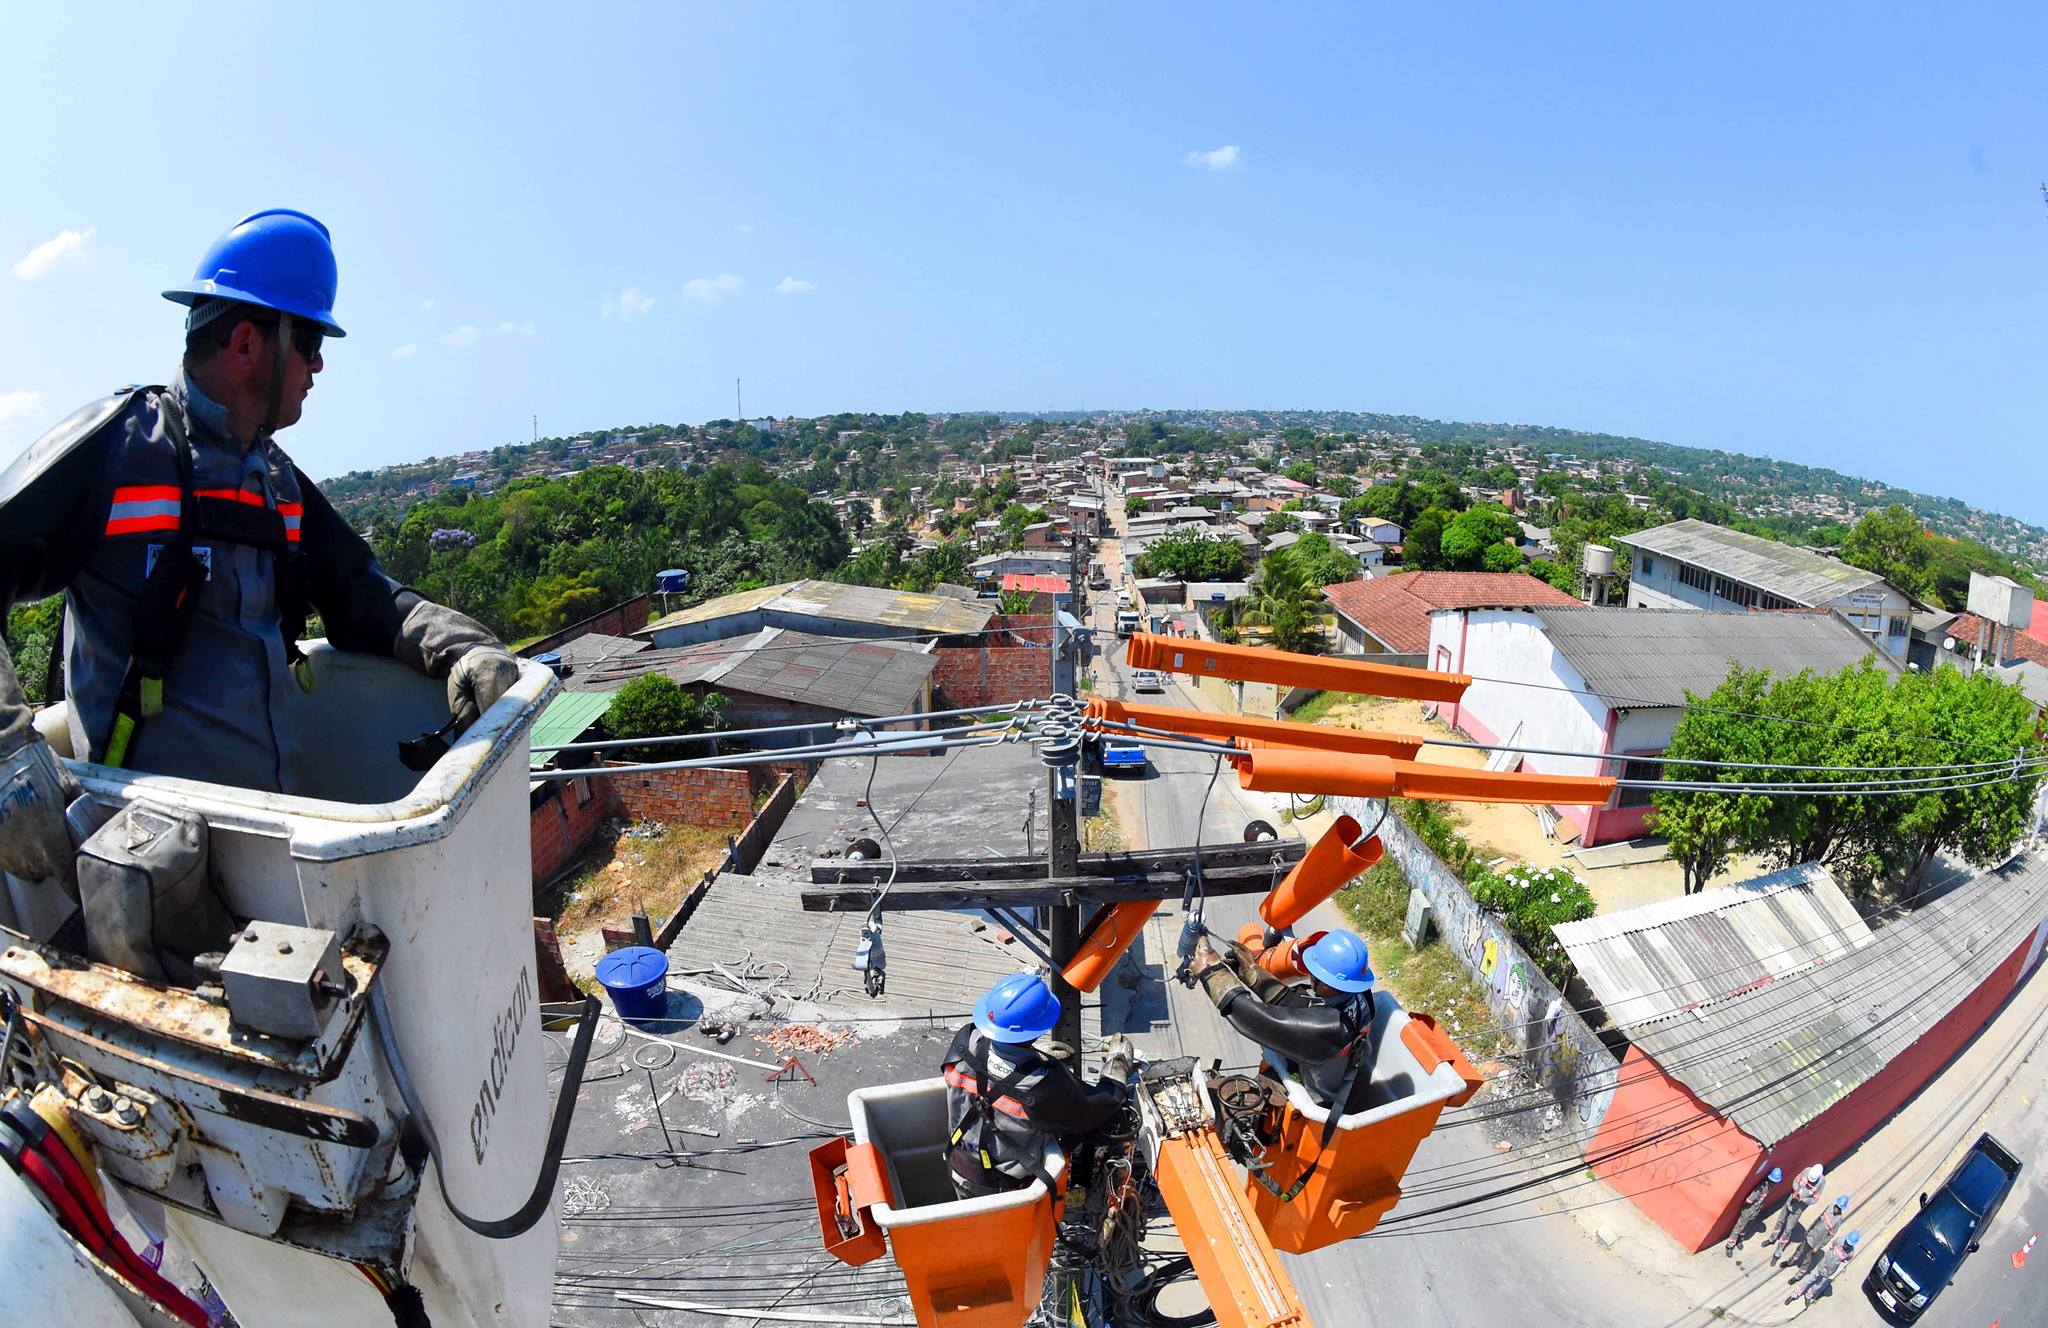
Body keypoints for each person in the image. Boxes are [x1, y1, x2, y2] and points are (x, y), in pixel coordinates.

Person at [0, 210, 521, 891]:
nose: (319, 364)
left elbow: (362, 593)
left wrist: (463, 647)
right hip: (142, 853)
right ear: (248, 342)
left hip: (273, 848)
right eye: (307, 341)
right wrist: (10, 752)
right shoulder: (121, 449)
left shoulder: (275, 484)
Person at [942, 973, 1127, 1200]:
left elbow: (987, 1073)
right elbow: (1095, 1110)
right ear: (1038, 1029)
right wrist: (1116, 1070)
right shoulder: (1042, 1085)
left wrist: (1031, 1058)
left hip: (957, 1164)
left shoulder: (964, 1042)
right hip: (1004, 1189)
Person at [1189, 927, 1379, 1112]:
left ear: (1327, 985)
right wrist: (1252, 973)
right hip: (1347, 1079)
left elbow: (1258, 1019)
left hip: (1321, 1103)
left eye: (1314, 972)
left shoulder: (1324, 1028)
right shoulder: (1360, 994)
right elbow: (1296, 1005)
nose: (1311, 976)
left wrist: (1212, 973)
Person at [1776, 1193, 1850, 1271]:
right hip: (1811, 1234)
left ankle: (1799, 1274)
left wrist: (1818, 1246)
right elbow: (1818, 1219)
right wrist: (1808, 1230)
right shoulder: (1829, 1207)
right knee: (1799, 1249)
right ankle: (1790, 1262)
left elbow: (1830, 1235)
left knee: (1807, 1258)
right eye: (1837, 1206)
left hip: (1817, 1241)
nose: (1837, 1209)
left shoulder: (1838, 1220)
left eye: (1839, 1208)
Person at [1787, 1230, 1859, 1310]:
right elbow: (1832, 1246)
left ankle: (1808, 1296)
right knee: (1808, 1280)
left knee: (1817, 1286)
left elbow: (1845, 1260)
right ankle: (1794, 1295)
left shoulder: (1850, 1253)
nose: (1846, 1245)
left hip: (1829, 1272)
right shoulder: (1839, 1241)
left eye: (1849, 1244)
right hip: (1821, 1266)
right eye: (1846, 1242)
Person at [1724, 1165, 1782, 1256]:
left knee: (1746, 1226)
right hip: (1749, 1210)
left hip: (1755, 1210)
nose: (1774, 1183)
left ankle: (1740, 1240)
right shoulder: (1762, 1187)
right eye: (1773, 1181)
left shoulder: (1769, 1187)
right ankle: (1730, 1246)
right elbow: (1749, 1200)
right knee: (1739, 1226)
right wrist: (1748, 1209)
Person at [1767, 1162, 1826, 1249]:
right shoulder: (1806, 1171)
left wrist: (1803, 1199)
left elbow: (1814, 1199)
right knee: (1780, 1221)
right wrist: (1796, 1190)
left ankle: (1779, 1250)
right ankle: (1772, 1238)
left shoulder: (1821, 1183)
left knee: (1788, 1229)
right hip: (1791, 1200)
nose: (1809, 1181)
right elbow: (1796, 1180)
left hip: (1799, 1208)